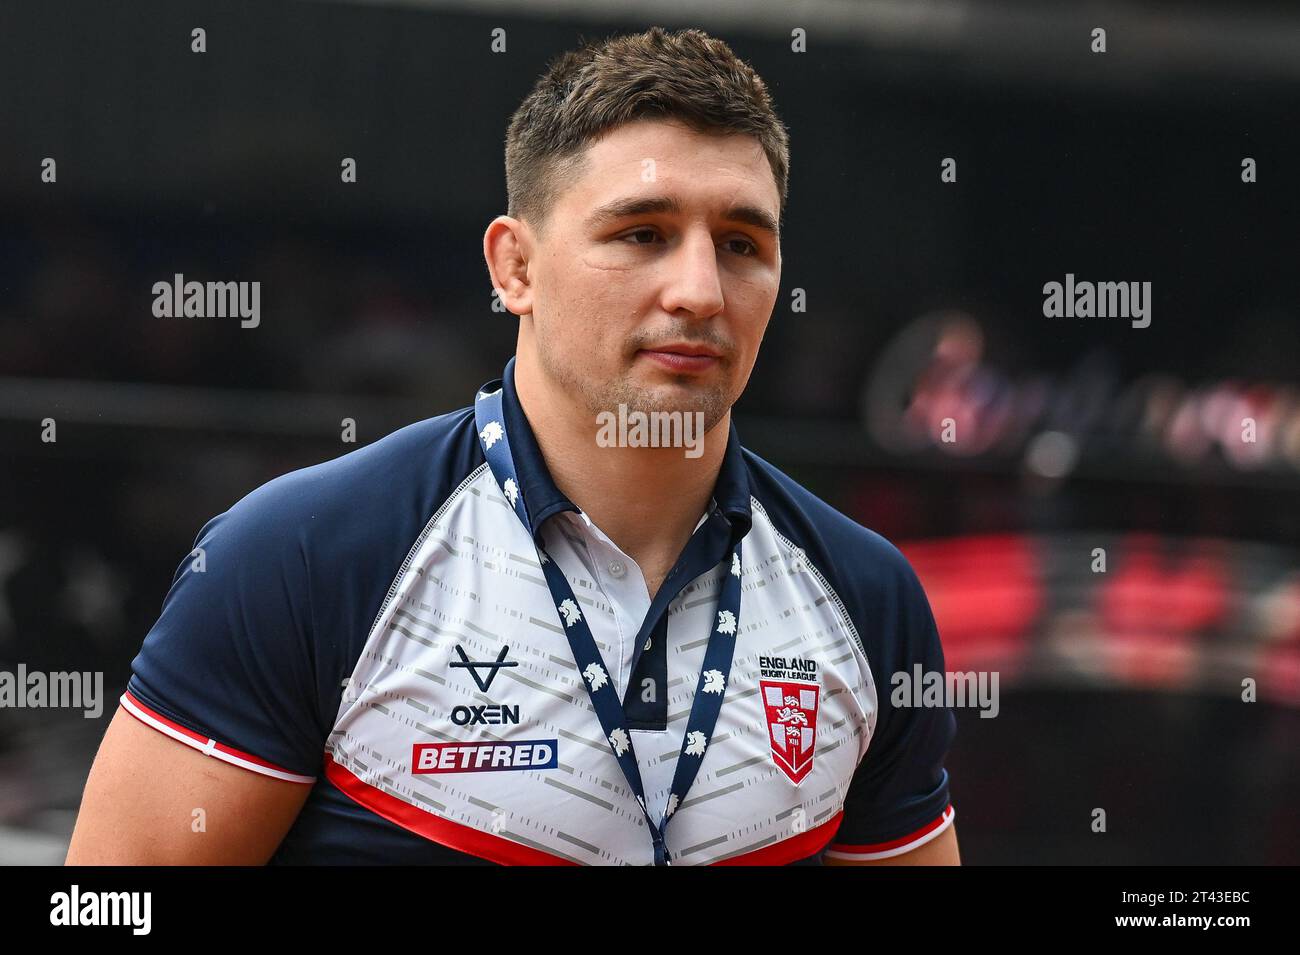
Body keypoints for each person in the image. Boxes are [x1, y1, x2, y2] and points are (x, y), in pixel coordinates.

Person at [67, 26, 958, 866]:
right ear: (514, 268)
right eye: (641, 233)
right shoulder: (302, 555)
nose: (699, 290)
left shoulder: (866, 596)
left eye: (740, 243)